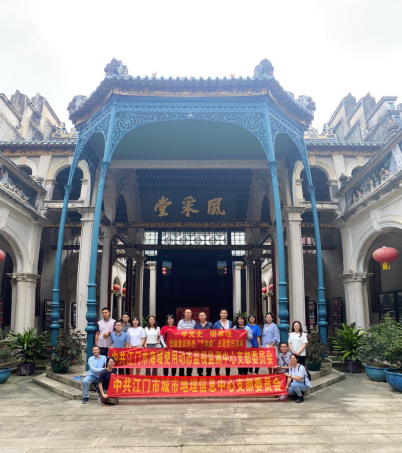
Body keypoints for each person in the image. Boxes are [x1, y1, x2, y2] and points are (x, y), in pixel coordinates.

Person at [213, 308, 232, 376]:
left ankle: (227, 373)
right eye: (222, 313)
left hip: (228, 344)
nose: (223, 314)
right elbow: (213, 334)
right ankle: (217, 373)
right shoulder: (216, 324)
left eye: (225, 313)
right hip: (219, 344)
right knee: (218, 359)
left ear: (227, 315)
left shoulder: (230, 323)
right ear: (220, 314)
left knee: (227, 359)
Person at [177, 308, 196, 376]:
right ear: (184, 314)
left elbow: (195, 333)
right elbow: (179, 333)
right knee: (182, 359)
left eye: (189, 312)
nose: (188, 314)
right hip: (182, 344)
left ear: (191, 314)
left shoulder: (194, 322)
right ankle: (181, 375)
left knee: (190, 359)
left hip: (191, 344)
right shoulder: (180, 322)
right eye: (186, 312)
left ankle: (189, 374)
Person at [195, 311, 213, 377]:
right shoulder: (196, 325)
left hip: (208, 346)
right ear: (199, 317)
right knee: (200, 361)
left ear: (206, 316)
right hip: (199, 346)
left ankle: (208, 374)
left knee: (209, 361)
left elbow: (214, 334)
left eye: (203, 315)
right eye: (201, 316)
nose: (202, 317)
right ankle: (200, 374)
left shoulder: (210, 324)